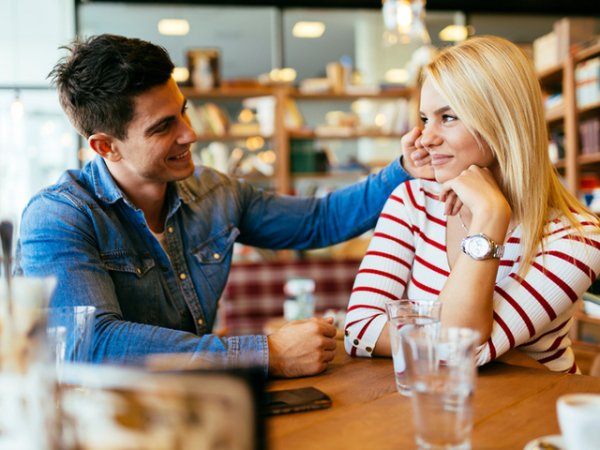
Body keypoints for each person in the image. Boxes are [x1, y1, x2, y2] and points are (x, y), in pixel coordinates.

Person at [15, 34, 428, 378]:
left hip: (199, 410)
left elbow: (319, 221)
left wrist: (404, 167)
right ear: (106, 146)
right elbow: (91, 345)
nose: (190, 134)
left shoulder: (215, 193)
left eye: (183, 113)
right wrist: (265, 353)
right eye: (163, 127)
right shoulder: (58, 217)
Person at [344, 35, 600, 373]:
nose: (424, 138)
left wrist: (489, 216)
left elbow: (459, 348)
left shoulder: (577, 240)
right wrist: (445, 341)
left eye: (448, 117)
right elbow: (359, 330)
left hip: (534, 417)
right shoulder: (413, 202)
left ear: (503, 122)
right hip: (434, 408)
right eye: (424, 119)